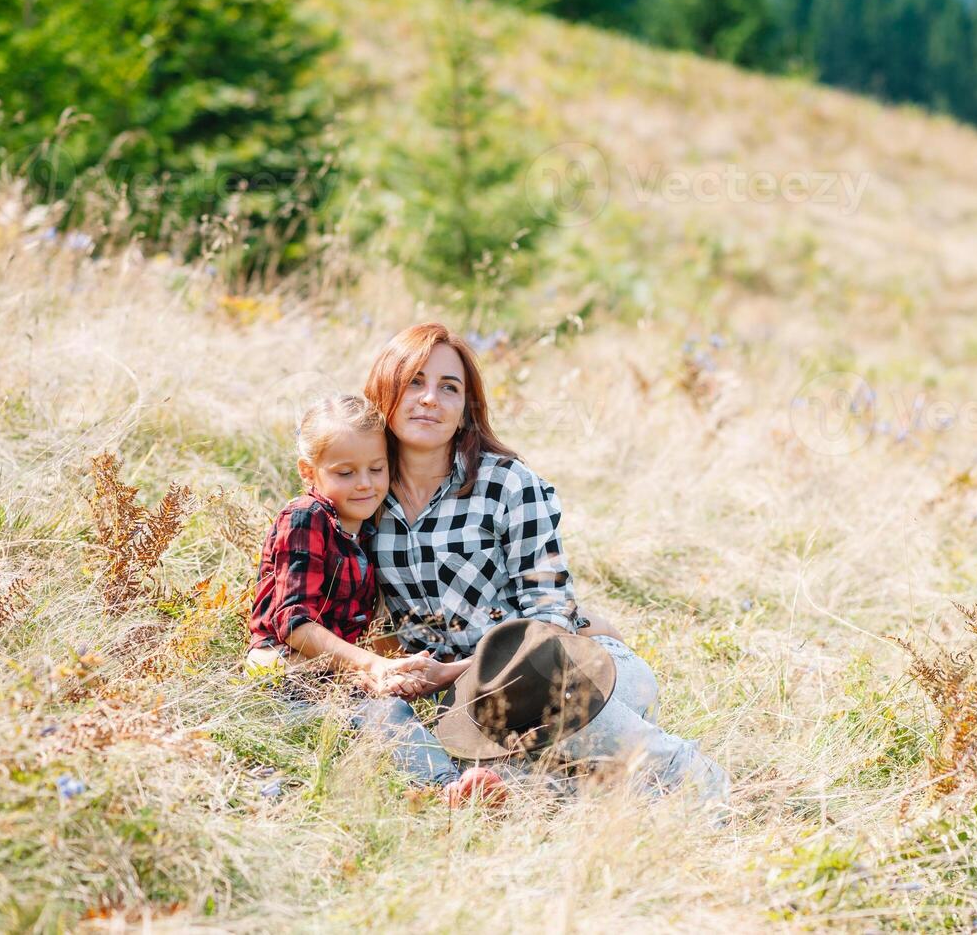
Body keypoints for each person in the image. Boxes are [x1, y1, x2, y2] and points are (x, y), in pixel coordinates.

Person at [359, 323, 729, 806]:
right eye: (414, 382)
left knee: (562, 725)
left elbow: (549, 608)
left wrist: (464, 671)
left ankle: (705, 789)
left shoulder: (506, 484)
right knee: (509, 767)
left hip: (558, 668)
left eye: (449, 387)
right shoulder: (365, 494)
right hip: (463, 705)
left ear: (465, 409)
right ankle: (546, 799)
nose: (430, 398)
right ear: (384, 389)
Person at [245, 393, 502, 806]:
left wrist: (394, 667)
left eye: (376, 469)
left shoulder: (365, 529)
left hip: (333, 673)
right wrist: (373, 666)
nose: (364, 483)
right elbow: (294, 622)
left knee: (391, 705)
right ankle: (444, 790)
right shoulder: (306, 517)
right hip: (281, 673)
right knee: (384, 715)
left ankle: (471, 773)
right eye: (345, 472)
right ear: (309, 472)